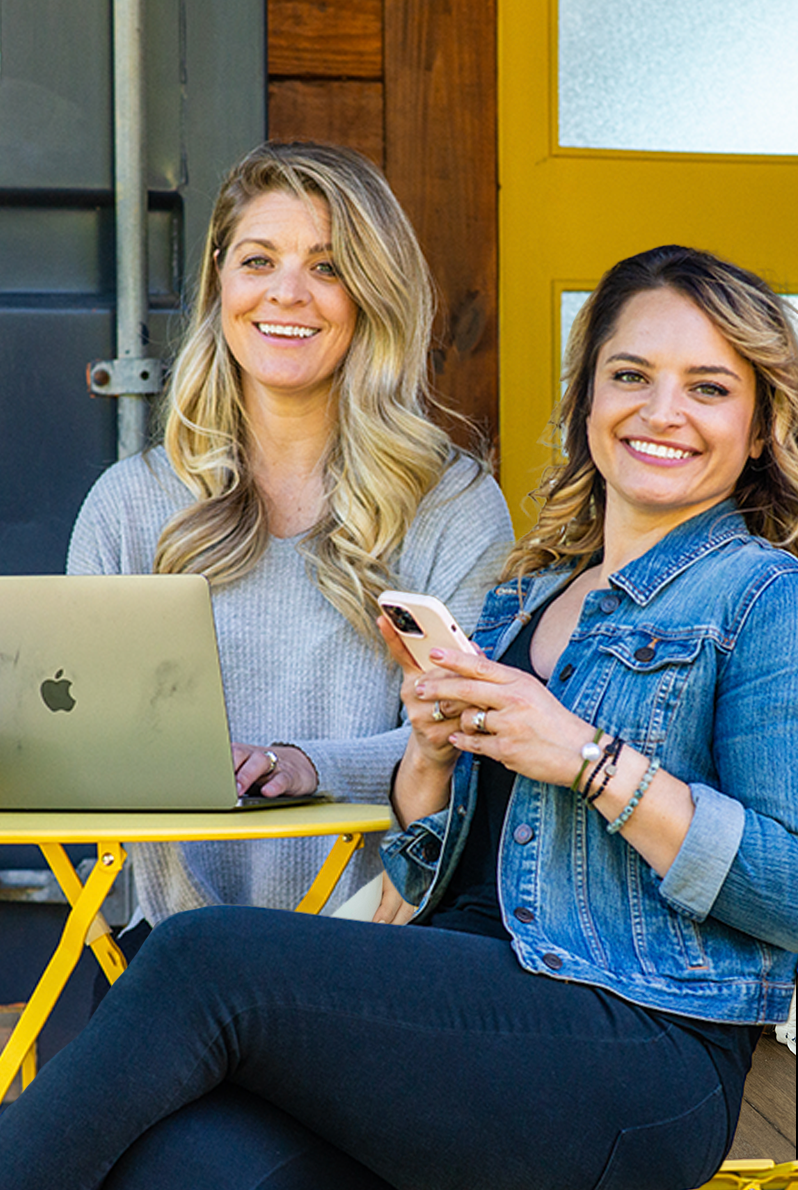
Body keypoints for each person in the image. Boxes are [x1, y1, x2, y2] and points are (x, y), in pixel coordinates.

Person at [2, 244, 797, 1190]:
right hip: (470, 1000)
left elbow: (787, 888)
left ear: (758, 428)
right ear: (588, 400)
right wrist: (429, 756)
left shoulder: (763, 598)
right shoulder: (530, 596)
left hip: (635, 1043)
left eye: (708, 388)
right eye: (630, 375)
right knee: (187, 1159)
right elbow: (451, 863)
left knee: (204, 961)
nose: (661, 411)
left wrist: (588, 759)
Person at [66, 140, 512, 936]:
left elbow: (470, 743)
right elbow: (80, 747)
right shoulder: (128, 506)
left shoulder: (455, 506)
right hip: (168, 951)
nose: (288, 293)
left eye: (328, 267)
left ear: (372, 293)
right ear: (221, 282)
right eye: (259, 261)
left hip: (375, 950)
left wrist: (306, 765)